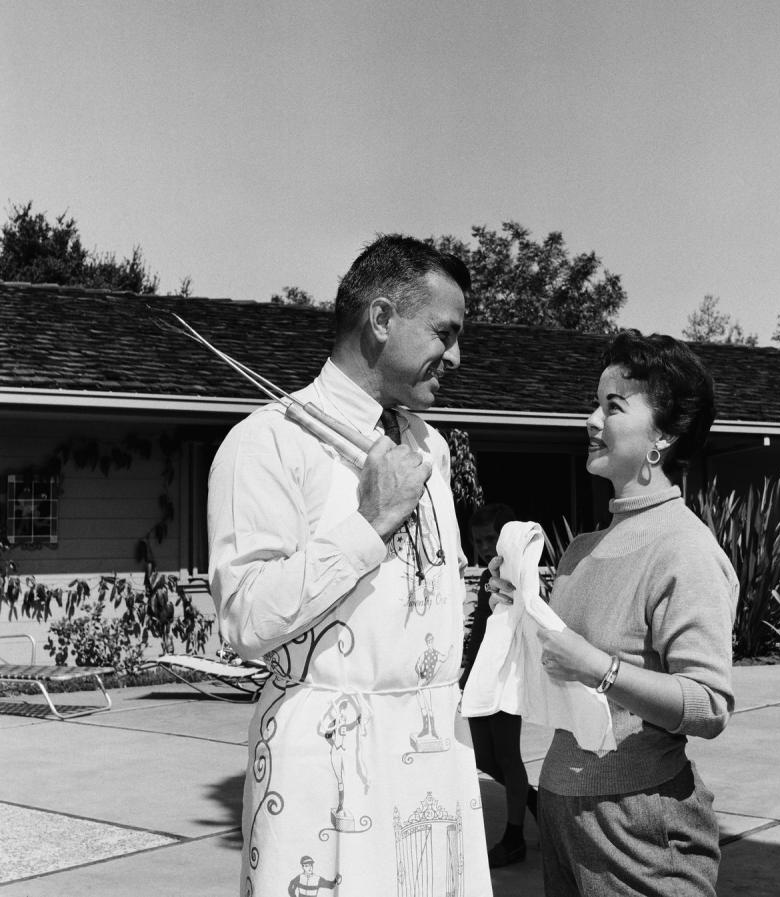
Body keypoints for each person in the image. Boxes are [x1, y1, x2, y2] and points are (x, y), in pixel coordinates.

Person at [208, 235, 492, 897]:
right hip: (325, 768)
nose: (457, 356)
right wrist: (368, 524)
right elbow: (246, 619)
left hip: (431, 753)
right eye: (444, 332)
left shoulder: (432, 447)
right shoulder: (269, 441)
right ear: (383, 317)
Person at [488, 330, 738, 897]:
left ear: (665, 435)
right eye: (594, 404)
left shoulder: (685, 549)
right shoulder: (581, 548)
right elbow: (554, 670)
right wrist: (518, 609)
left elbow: (709, 705)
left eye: (612, 406)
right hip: (559, 806)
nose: (591, 421)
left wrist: (598, 666)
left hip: (641, 826)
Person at [459, 502, 539, 867]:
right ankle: (534, 802)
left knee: (507, 754)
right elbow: (480, 627)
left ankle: (513, 837)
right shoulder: (488, 574)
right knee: (484, 757)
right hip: (479, 672)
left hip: (506, 673)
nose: (486, 546)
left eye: (492, 537)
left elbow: (526, 611)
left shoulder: (517, 572)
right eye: (479, 540)